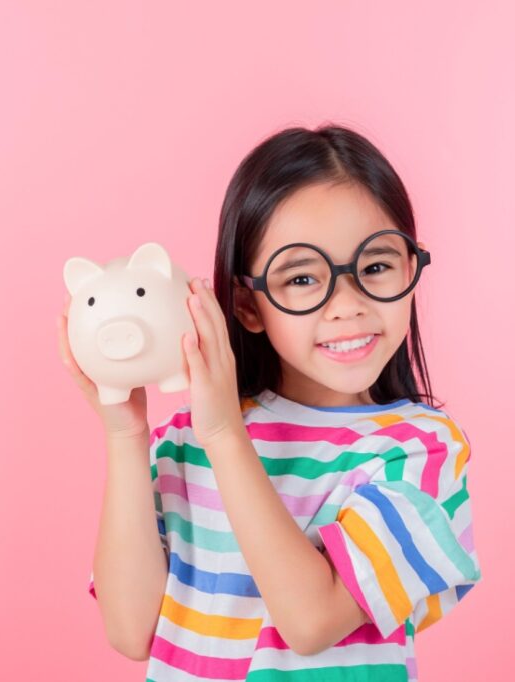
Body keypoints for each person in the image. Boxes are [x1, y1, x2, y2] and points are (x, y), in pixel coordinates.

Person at [57, 123, 482, 681]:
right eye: (302, 278)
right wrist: (125, 435)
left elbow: (311, 621)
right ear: (247, 305)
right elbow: (131, 629)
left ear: (410, 267)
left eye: (375, 266)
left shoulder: (418, 452)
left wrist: (226, 437)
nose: (346, 305)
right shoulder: (185, 442)